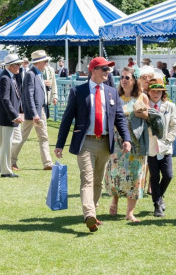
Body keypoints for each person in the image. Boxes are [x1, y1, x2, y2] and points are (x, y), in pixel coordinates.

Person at [54, 57, 131, 232]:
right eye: (104, 69)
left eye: (108, 70)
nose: (107, 73)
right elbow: (67, 120)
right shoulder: (78, 91)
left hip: (104, 142)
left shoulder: (112, 92)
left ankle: (93, 213)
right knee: (87, 179)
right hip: (85, 142)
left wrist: (126, 139)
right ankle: (89, 214)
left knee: (98, 182)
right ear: (93, 70)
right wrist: (60, 144)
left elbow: (119, 118)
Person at [105, 67, 148, 222]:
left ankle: (130, 212)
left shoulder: (142, 97)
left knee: (135, 175)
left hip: (136, 143)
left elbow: (148, 118)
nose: (123, 80)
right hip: (118, 142)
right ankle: (114, 201)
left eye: (127, 77)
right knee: (116, 173)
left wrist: (143, 114)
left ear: (134, 80)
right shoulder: (115, 96)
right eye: (121, 77)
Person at [12, 50, 55, 171]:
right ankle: (11, 160)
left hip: (39, 110)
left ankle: (47, 163)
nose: (47, 64)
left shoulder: (38, 74)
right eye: (45, 61)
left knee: (43, 137)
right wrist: (34, 114)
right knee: (22, 137)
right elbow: (28, 95)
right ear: (39, 62)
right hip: (34, 112)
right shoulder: (31, 74)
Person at [145, 77, 176, 217]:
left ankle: (159, 196)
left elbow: (174, 125)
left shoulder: (170, 106)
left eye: (159, 91)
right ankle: (157, 205)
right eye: (153, 91)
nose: (156, 94)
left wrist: (169, 139)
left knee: (168, 175)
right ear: (149, 92)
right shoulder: (144, 107)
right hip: (151, 147)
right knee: (154, 176)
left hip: (165, 147)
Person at [0, 54, 24, 178]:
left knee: (16, 140)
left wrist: (20, 112)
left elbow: (16, 97)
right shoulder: (5, 78)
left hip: (12, 116)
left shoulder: (11, 77)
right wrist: (14, 115)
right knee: (8, 144)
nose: (20, 66)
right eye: (17, 64)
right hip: (7, 117)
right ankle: (6, 171)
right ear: (10, 66)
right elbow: (5, 99)